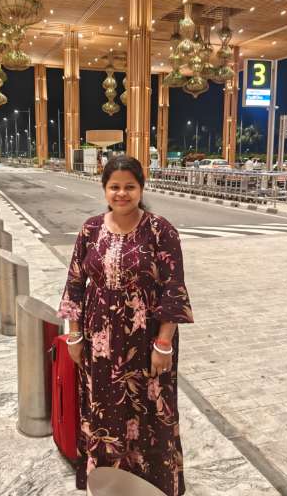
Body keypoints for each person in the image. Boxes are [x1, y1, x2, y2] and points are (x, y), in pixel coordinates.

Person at [58, 155, 194, 496]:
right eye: (114, 186)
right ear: (104, 189)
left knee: (149, 407)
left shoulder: (161, 231)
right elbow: (75, 284)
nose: (122, 193)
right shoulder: (90, 230)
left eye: (129, 186)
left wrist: (164, 344)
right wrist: (74, 335)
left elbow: (173, 290)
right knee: (103, 407)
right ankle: (105, 481)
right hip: (99, 342)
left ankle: (152, 484)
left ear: (141, 189)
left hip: (146, 340)